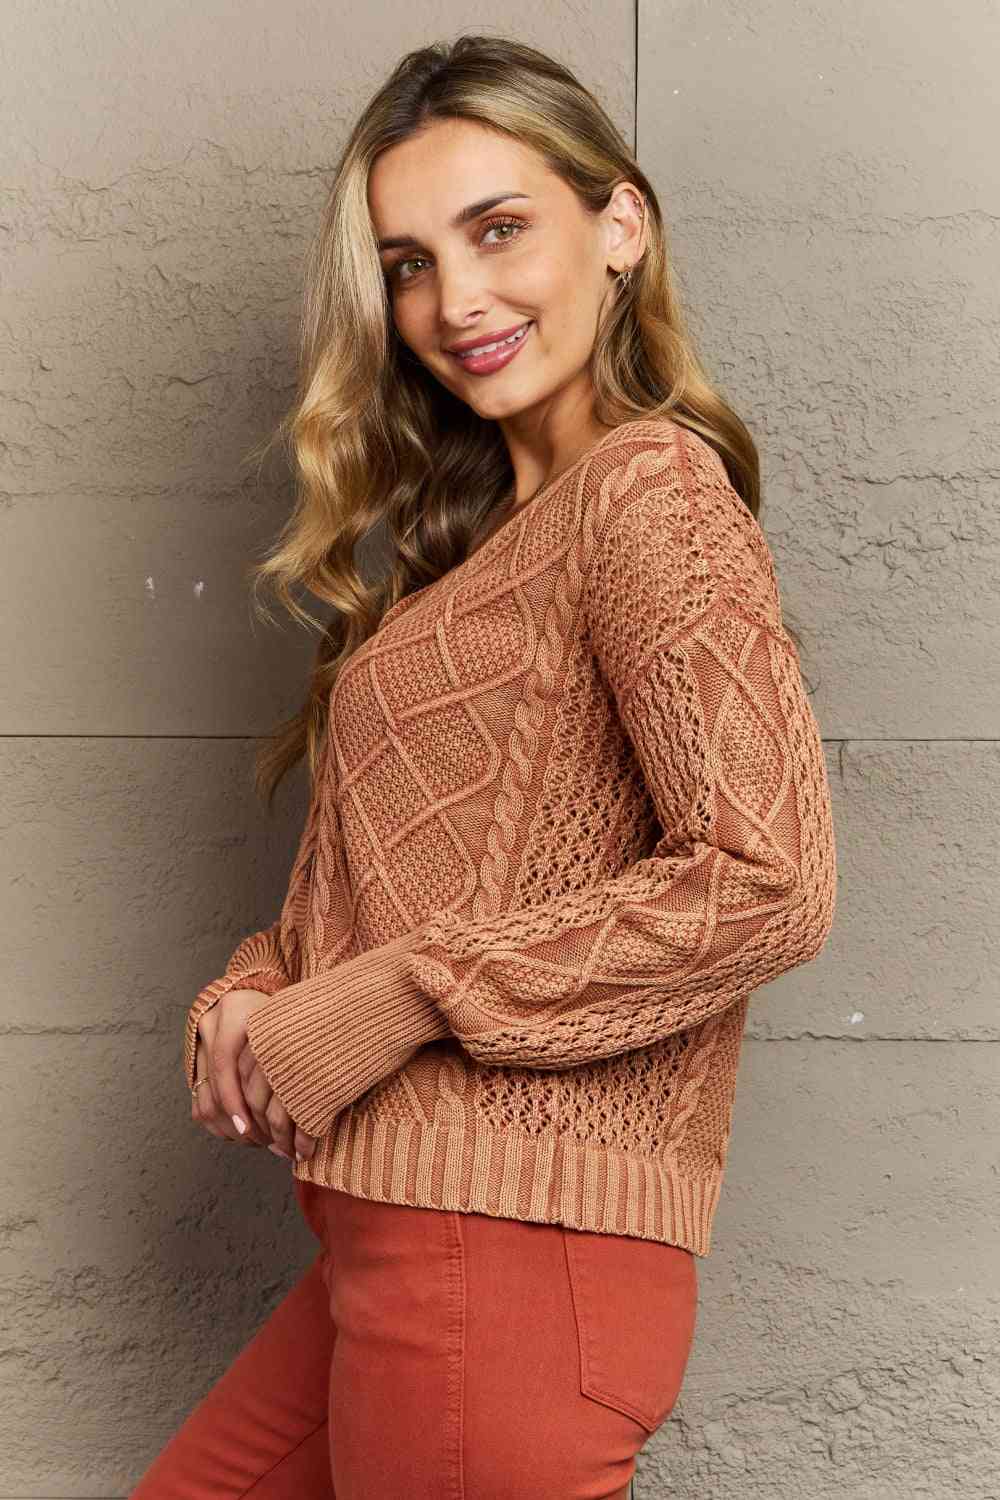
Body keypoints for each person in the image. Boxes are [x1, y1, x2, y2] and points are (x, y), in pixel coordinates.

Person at [132, 32, 837, 1500]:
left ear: (620, 226)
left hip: (511, 1257)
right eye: (409, 263)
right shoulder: (462, 563)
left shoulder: (650, 495)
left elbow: (767, 883)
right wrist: (257, 989)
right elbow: (390, 889)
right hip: (396, 1231)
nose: (454, 300)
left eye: (498, 229)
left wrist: (401, 995)